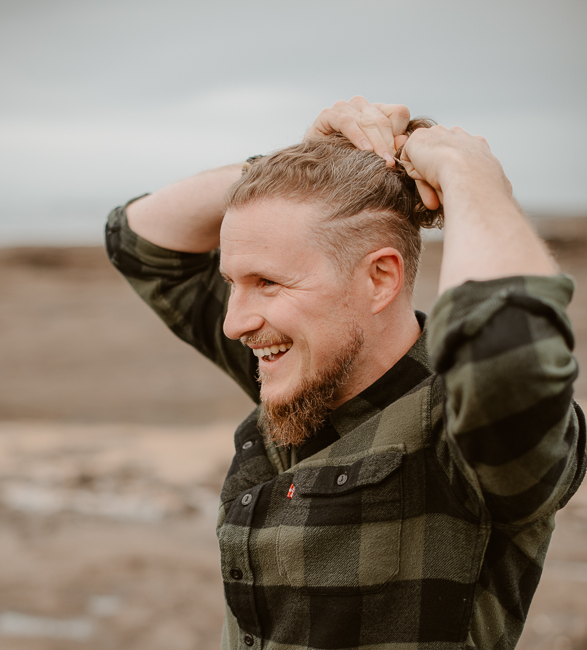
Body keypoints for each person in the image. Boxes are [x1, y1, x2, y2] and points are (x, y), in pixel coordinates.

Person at [105, 97, 586, 650]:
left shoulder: (467, 435)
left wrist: (466, 173)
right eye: (233, 282)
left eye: (267, 282)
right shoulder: (300, 364)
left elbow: (505, 355)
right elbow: (139, 243)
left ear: (379, 279)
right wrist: (290, 165)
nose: (235, 323)